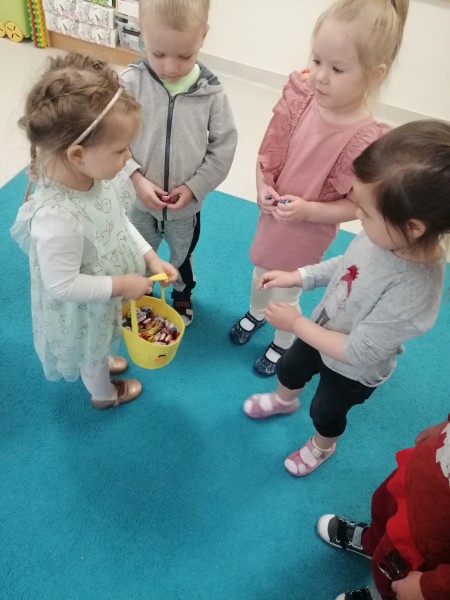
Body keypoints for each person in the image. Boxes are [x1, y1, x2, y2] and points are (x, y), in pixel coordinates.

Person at [242, 120, 450, 476]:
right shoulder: (385, 234)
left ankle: (322, 446)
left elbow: (358, 352)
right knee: (290, 368)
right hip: (320, 330)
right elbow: (346, 264)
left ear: (413, 227)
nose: (358, 217)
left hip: (353, 369)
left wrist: (295, 324)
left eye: (366, 213)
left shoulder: (415, 290)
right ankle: (283, 400)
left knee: (326, 411)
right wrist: (300, 276)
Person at [230, 0, 410, 376]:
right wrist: (263, 186)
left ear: (374, 74)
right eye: (316, 60)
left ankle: (283, 341)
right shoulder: (299, 99)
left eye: (337, 69)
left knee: (287, 288)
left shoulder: (366, 140)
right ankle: (257, 312)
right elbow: (267, 154)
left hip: (307, 231)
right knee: (260, 267)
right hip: (273, 218)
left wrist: (308, 211)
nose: (320, 76)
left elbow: (356, 206)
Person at [10, 53, 178, 410]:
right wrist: (122, 285)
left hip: (107, 294)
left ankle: (101, 355)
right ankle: (104, 393)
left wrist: (150, 257)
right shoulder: (57, 219)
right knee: (92, 353)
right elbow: (62, 285)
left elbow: (117, 222)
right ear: (77, 154)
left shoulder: (95, 177)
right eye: (120, 149)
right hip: (86, 308)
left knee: (102, 341)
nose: (128, 157)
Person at [121, 0, 237, 327]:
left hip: (185, 207)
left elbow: (224, 146)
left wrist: (195, 186)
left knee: (182, 255)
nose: (170, 67)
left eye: (184, 56)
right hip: (138, 200)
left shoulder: (211, 93)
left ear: (203, 36)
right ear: (142, 33)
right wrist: (136, 178)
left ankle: (182, 293)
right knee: (137, 252)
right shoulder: (130, 82)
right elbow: (111, 139)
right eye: (158, 53)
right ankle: (141, 291)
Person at [317, 415, 450, 600]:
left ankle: (381, 595)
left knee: (394, 577)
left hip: (430, 536)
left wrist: (431, 588)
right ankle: (371, 541)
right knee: (382, 506)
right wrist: (444, 426)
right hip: (416, 473)